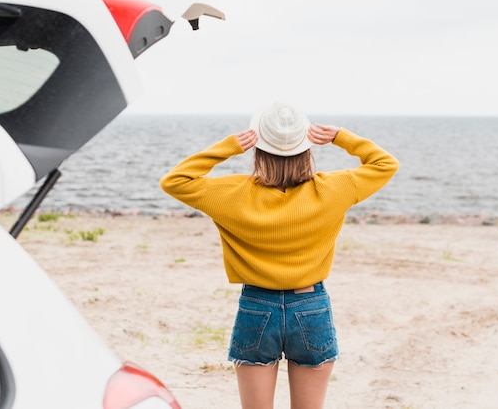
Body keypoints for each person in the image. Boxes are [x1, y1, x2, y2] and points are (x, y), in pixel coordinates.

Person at [160, 100, 399, 409]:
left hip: (257, 306)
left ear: (258, 149)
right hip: (311, 305)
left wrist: (229, 147)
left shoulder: (232, 194)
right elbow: (385, 164)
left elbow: (175, 181)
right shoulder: (334, 189)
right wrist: (341, 136)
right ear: (308, 149)